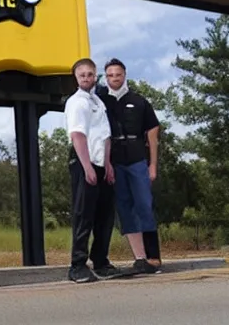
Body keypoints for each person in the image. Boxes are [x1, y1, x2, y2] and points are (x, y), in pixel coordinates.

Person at [97, 58, 161, 274]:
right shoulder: (101, 101)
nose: (114, 78)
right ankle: (139, 258)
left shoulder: (139, 101)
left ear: (125, 75)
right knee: (124, 207)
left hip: (137, 158)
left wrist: (153, 165)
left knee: (144, 204)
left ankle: (154, 256)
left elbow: (153, 134)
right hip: (114, 160)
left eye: (118, 74)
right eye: (110, 75)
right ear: (106, 77)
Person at [64, 57, 122, 283]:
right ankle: (77, 265)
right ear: (76, 78)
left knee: (104, 215)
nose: (87, 78)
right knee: (84, 214)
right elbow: (78, 135)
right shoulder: (77, 102)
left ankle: (101, 261)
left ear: (95, 75)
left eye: (90, 74)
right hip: (83, 162)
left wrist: (107, 164)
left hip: (101, 163)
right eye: (82, 75)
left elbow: (105, 136)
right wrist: (87, 167)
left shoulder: (98, 101)